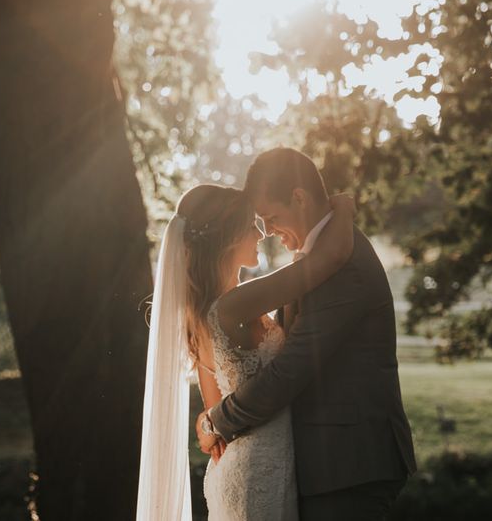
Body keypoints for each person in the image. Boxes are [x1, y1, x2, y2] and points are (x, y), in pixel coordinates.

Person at [197, 148, 417, 520]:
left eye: (271, 217)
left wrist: (216, 420)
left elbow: (291, 369)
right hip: (323, 464)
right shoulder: (325, 252)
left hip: (349, 464)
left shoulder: (345, 265)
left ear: (299, 197)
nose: (267, 232)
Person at [136, 182, 356, 520]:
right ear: (227, 236)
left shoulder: (200, 315)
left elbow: (215, 416)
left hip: (236, 472)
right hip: (261, 474)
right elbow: (332, 257)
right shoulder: (236, 304)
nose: (261, 233)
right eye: (251, 224)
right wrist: (342, 207)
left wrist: (208, 426)